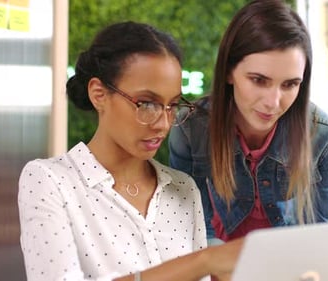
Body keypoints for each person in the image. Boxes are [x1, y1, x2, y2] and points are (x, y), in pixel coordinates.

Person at [18, 21, 243, 281]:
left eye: (172, 106)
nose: (163, 123)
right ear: (99, 94)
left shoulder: (184, 188)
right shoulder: (49, 180)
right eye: (147, 103)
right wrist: (202, 262)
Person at [169, 0, 328, 246]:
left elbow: (321, 236)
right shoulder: (190, 129)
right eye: (259, 80)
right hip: (215, 261)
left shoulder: (324, 138)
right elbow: (194, 229)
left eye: (290, 84)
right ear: (230, 71)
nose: (273, 102)